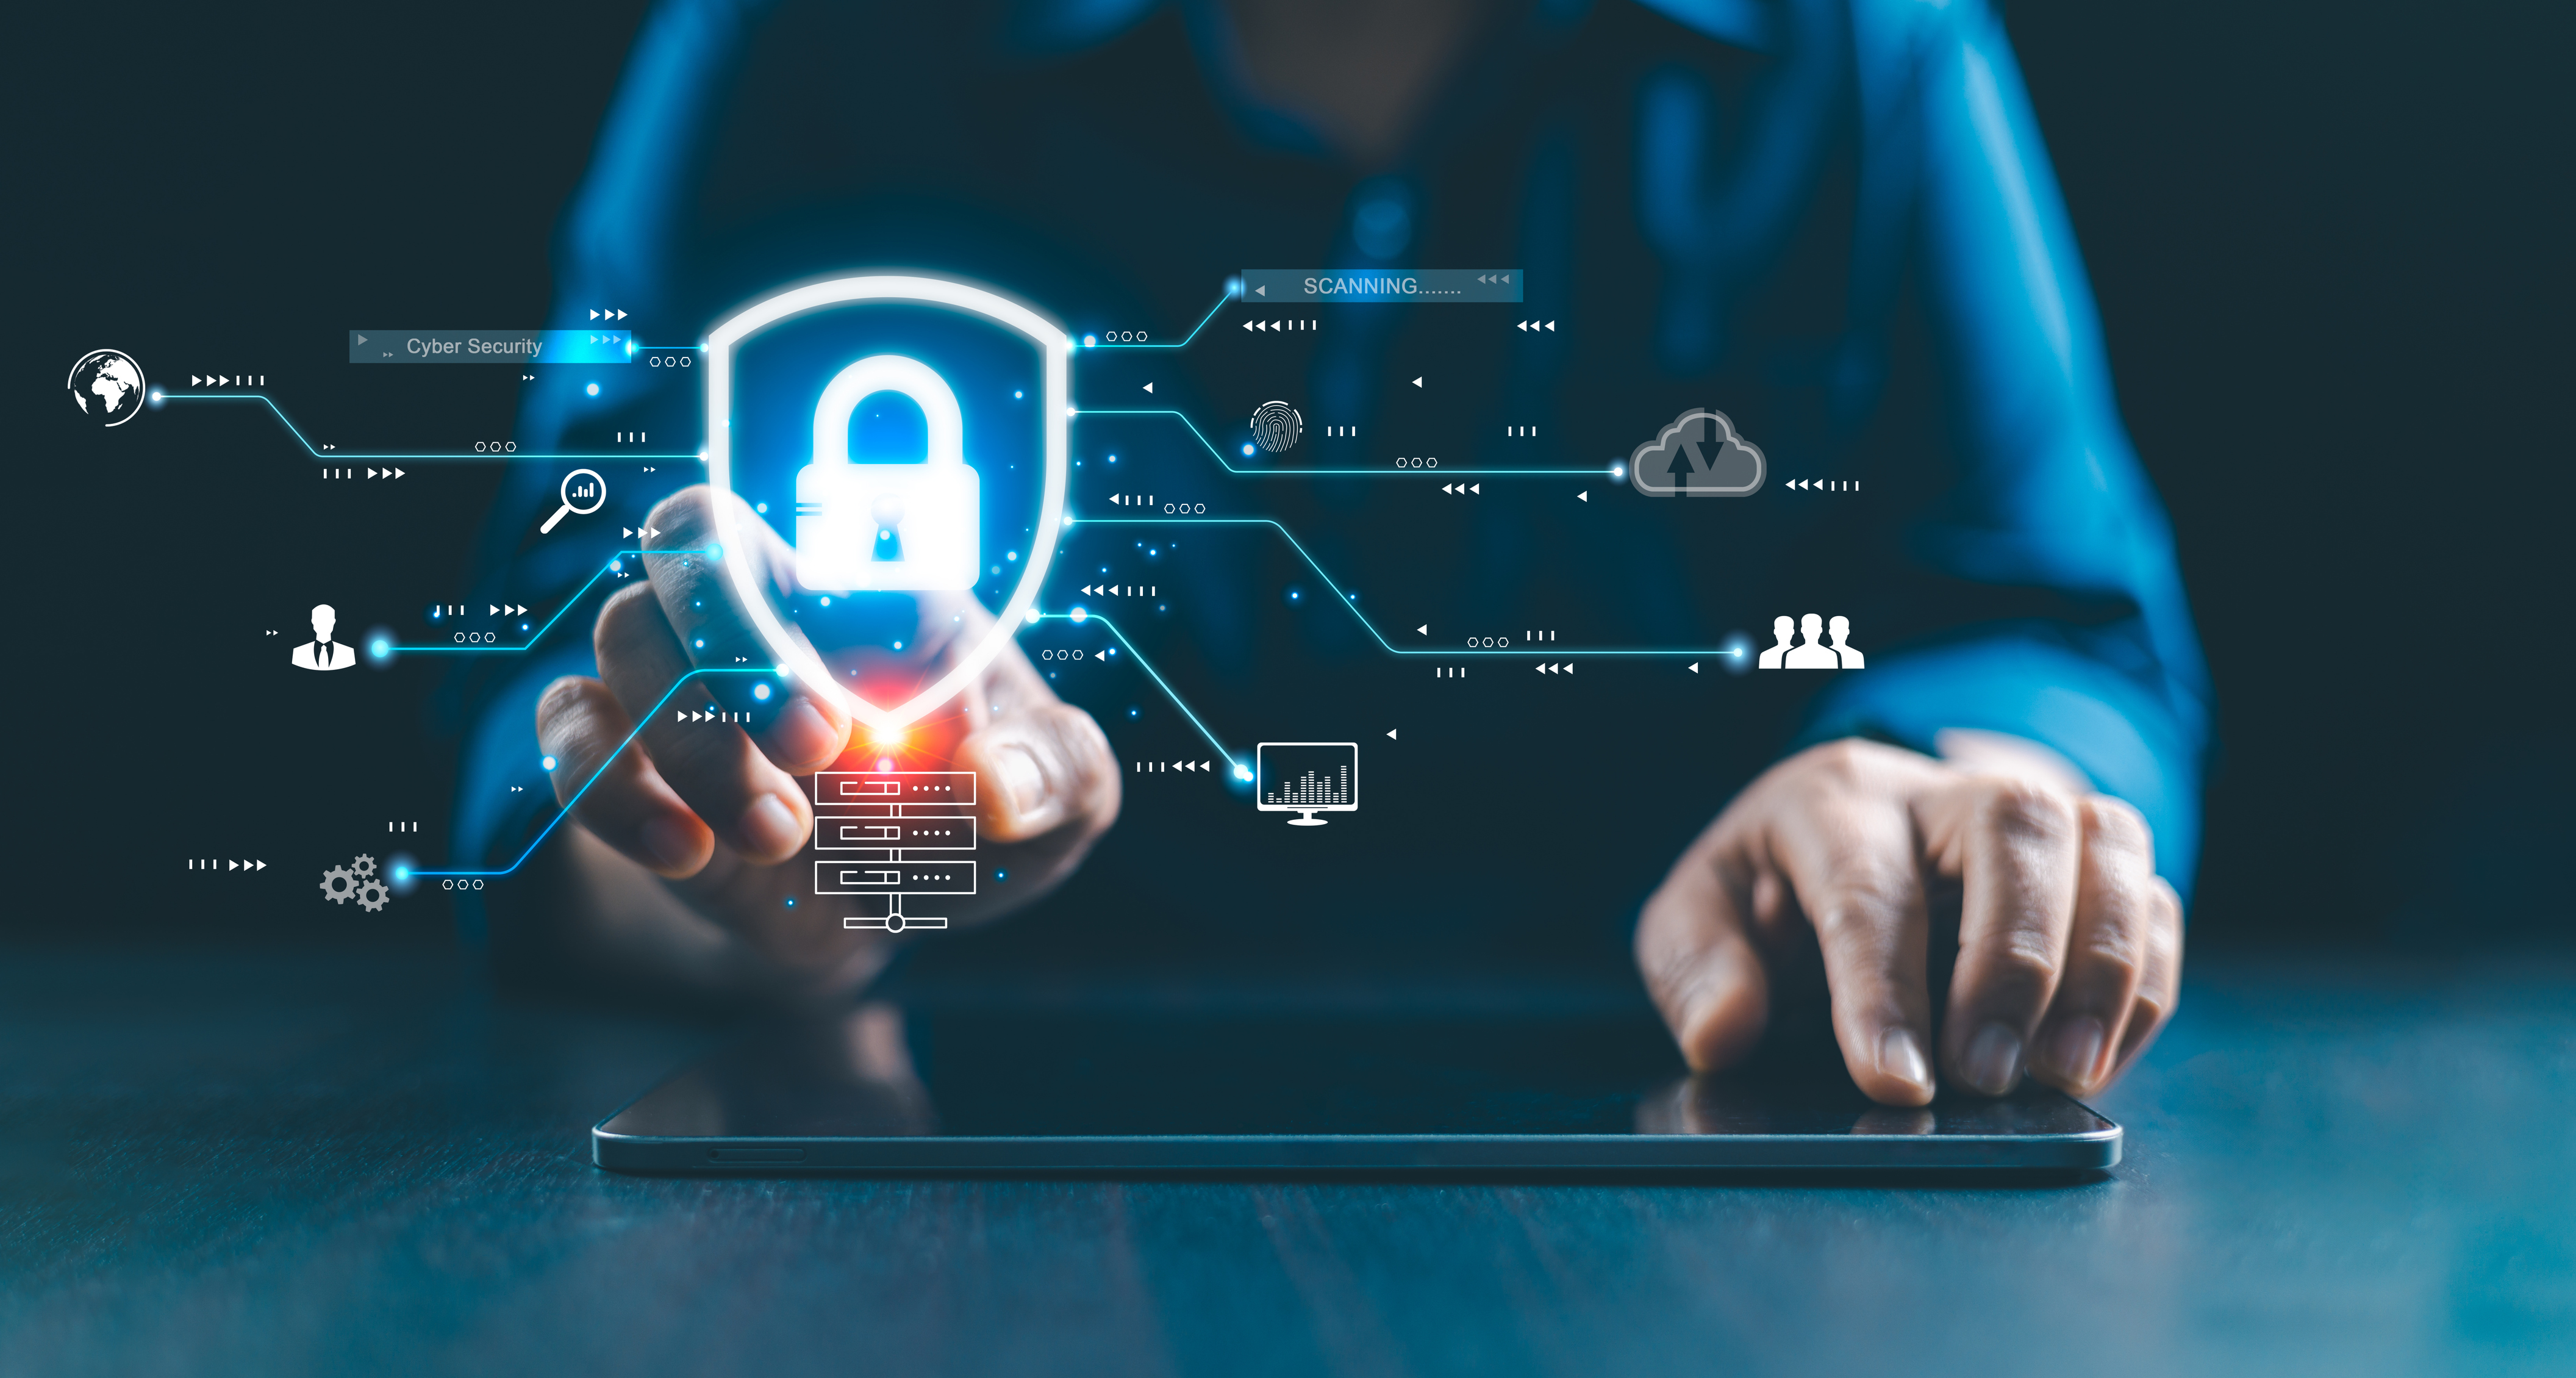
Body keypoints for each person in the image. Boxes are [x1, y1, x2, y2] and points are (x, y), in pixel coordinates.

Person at [460, 0, 2208, 1108]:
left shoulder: (1859, 49)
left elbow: (2052, 634)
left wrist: (1927, 803)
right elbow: (556, 687)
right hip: (946, 1202)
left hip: (1698, 1150)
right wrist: (741, 874)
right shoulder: (801, 37)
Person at [291, 605, 354, 672]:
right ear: (313, 621)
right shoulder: (299, 653)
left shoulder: (348, 653)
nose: (324, 623)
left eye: (327, 620)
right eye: (319, 619)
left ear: (334, 621)